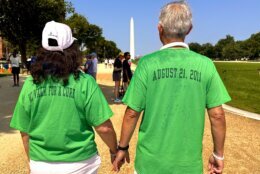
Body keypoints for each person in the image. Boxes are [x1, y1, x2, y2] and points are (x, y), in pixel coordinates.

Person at [113, 1, 231, 174]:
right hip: (188, 165)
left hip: (150, 163)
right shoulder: (205, 65)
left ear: (159, 29)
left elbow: (132, 113)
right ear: (189, 29)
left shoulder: (147, 64)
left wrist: (122, 147)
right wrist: (218, 154)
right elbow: (217, 115)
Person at [10, 21, 118, 174]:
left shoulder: (30, 83)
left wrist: (31, 161)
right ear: (71, 50)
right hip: (81, 164)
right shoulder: (85, 81)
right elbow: (104, 127)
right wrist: (115, 150)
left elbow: (25, 131)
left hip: (41, 164)